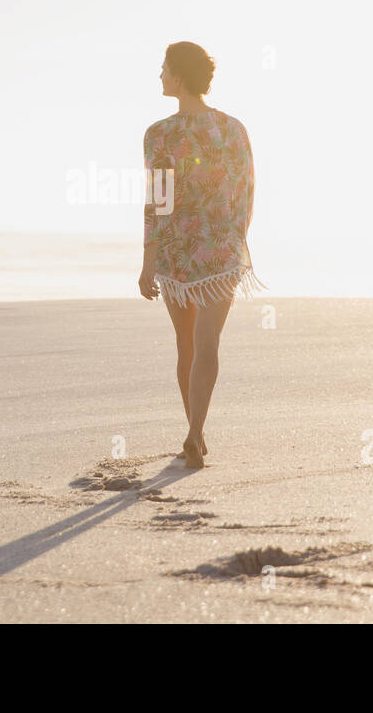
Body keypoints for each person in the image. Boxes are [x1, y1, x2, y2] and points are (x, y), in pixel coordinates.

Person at [138, 41, 264, 468]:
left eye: (163, 68)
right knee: (208, 342)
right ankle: (194, 433)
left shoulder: (158, 134)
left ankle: (196, 432)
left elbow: (158, 201)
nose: (159, 75)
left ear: (178, 76)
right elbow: (247, 191)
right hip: (221, 253)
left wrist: (147, 263)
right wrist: (235, 242)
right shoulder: (232, 128)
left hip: (177, 253)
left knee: (185, 344)